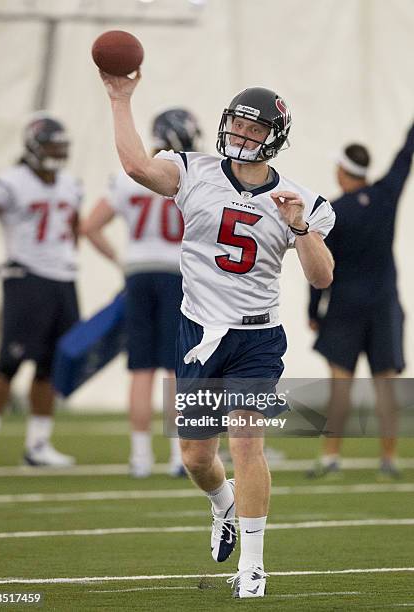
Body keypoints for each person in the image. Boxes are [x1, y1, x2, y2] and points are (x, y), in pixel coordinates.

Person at [99, 68, 335, 598]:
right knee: (196, 459)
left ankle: (252, 567)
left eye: (254, 130)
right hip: (198, 332)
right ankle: (223, 505)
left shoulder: (303, 199)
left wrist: (298, 227)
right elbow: (137, 166)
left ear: (274, 136)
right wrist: (121, 97)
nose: (242, 136)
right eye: (238, 125)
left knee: (248, 444)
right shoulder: (192, 170)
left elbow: (322, 277)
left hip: (257, 339)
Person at [81, 108, 202, 477]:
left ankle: (139, 458)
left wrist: (122, 261)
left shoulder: (127, 176)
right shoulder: (190, 174)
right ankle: (175, 455)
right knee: (175, 368)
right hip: (175, 277)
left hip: (137, 277)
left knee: (141, 369)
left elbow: (90, 226)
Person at [307, 123, 414, 480]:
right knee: (386, 385)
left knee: (340, 386)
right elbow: (405, 156)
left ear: (343, 170)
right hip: (384, 305)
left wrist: (313, 311)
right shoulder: (386, 194)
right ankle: (388, 459)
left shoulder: (334, 212)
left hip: (345, 308)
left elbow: (320, 268)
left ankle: (331, 457)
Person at [0, 112, 82, 467]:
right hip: (26, 278)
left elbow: (73, 224)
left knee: (51, 364)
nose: (57, 152)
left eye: (60, 146)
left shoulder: (70, 184)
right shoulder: (11, 181)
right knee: (9, 361)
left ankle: (37, 445)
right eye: (51, 145)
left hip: (63, 281)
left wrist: (68, 257)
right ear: (34, 146)